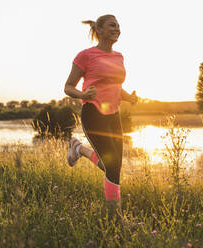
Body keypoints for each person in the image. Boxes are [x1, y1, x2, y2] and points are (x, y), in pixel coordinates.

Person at [64, 14, 138, 216]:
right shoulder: (85, 55)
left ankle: (78, 149)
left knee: (114, 166)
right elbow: (68, 87)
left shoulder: (119, 57)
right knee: (112, 165)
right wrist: (82, 94)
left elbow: (115, 86)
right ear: (100, 30)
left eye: (119, 26)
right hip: (93, 113)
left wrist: (129, 98)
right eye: (112, 25)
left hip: (114, 115)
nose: (118, 29)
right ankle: (115, 217)